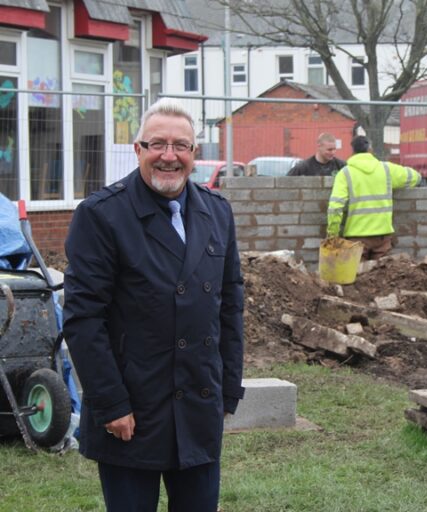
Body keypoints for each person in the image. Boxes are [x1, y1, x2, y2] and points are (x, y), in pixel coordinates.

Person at [63, 98, 244, 512]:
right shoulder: (102, 215)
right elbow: (83, 319)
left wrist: (227, 390)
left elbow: (230, 304)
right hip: (132, 411)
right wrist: (111, 404)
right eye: (157, 144)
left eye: (181, 146)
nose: (169, 156)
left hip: (198, 406)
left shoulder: (217, 212)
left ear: (195, 154)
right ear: (138, 150)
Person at [326, 135, 421, 260]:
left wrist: (332, 234)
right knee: (382, 276)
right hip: (382, 236)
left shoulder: (345, 173)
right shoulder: (386, 169)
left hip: (357, 237)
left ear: (353, 152)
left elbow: (335, 207)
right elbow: (414, 176)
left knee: (357, 276)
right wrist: (419, 179)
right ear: (370, 150)